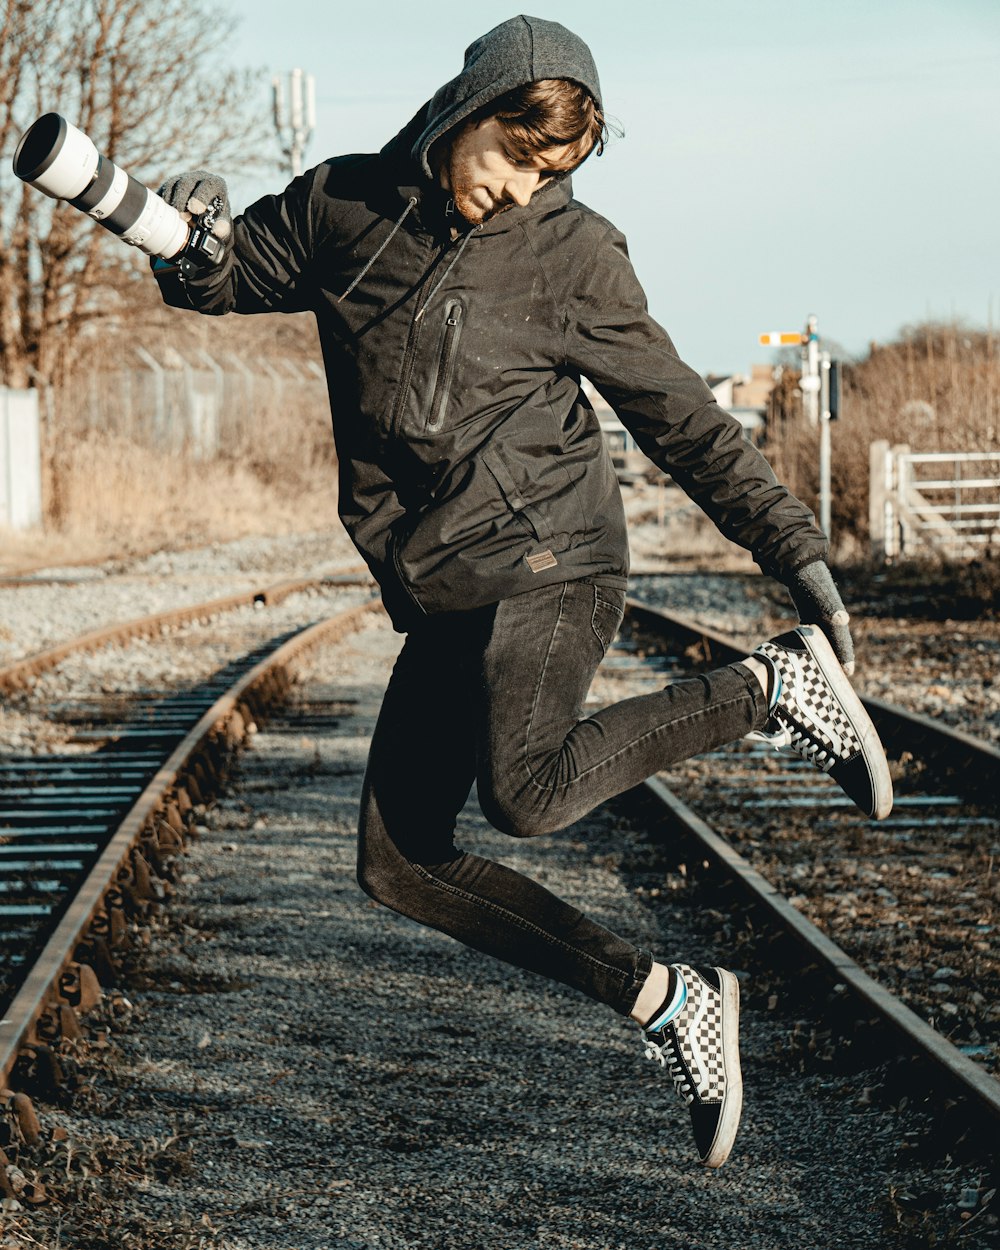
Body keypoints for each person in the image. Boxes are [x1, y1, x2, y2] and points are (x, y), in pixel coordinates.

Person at [153, 15, 892, 1170]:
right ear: (467, 108)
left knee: (526, 792)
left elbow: (678, 417)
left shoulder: (573, 252)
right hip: (446, 579)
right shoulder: (340, 203)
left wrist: (789, 545)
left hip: (556, 554)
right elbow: (225, 273)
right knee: (399, 861)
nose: (516, 187)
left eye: (545, 172)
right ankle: (668, 1000)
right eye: (510, 152)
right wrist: (185, 243)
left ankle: (770, 687)